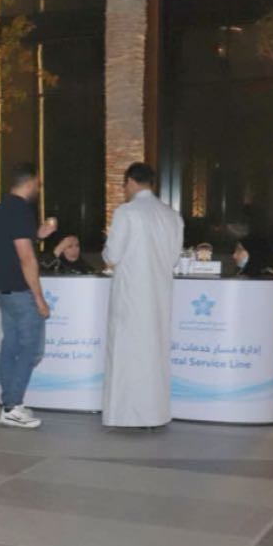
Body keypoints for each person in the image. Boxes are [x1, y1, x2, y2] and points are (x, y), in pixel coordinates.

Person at [102, 162, 184, 429]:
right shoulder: (172, 216)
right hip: (159, 297)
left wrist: (106, 250)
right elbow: (174, 258)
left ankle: (126, 415)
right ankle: (155, 414)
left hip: (131, 295)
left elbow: (112, 255)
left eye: (124, 185)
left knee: (127, 354)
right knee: (154, 354)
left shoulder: (127, 212)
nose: (124, 190)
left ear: (131, 182)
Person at [0, 163, 56, 429]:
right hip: (20, 291)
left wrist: (37, 235)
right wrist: (39, 298)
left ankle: (10, 403)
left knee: (11, 346)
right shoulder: (21, 210)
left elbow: (5, 244)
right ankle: (12, 405)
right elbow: (26, 257)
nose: (39, 188)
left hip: (2, 288)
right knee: (31, 350)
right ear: (29, 183)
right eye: (37, 184)